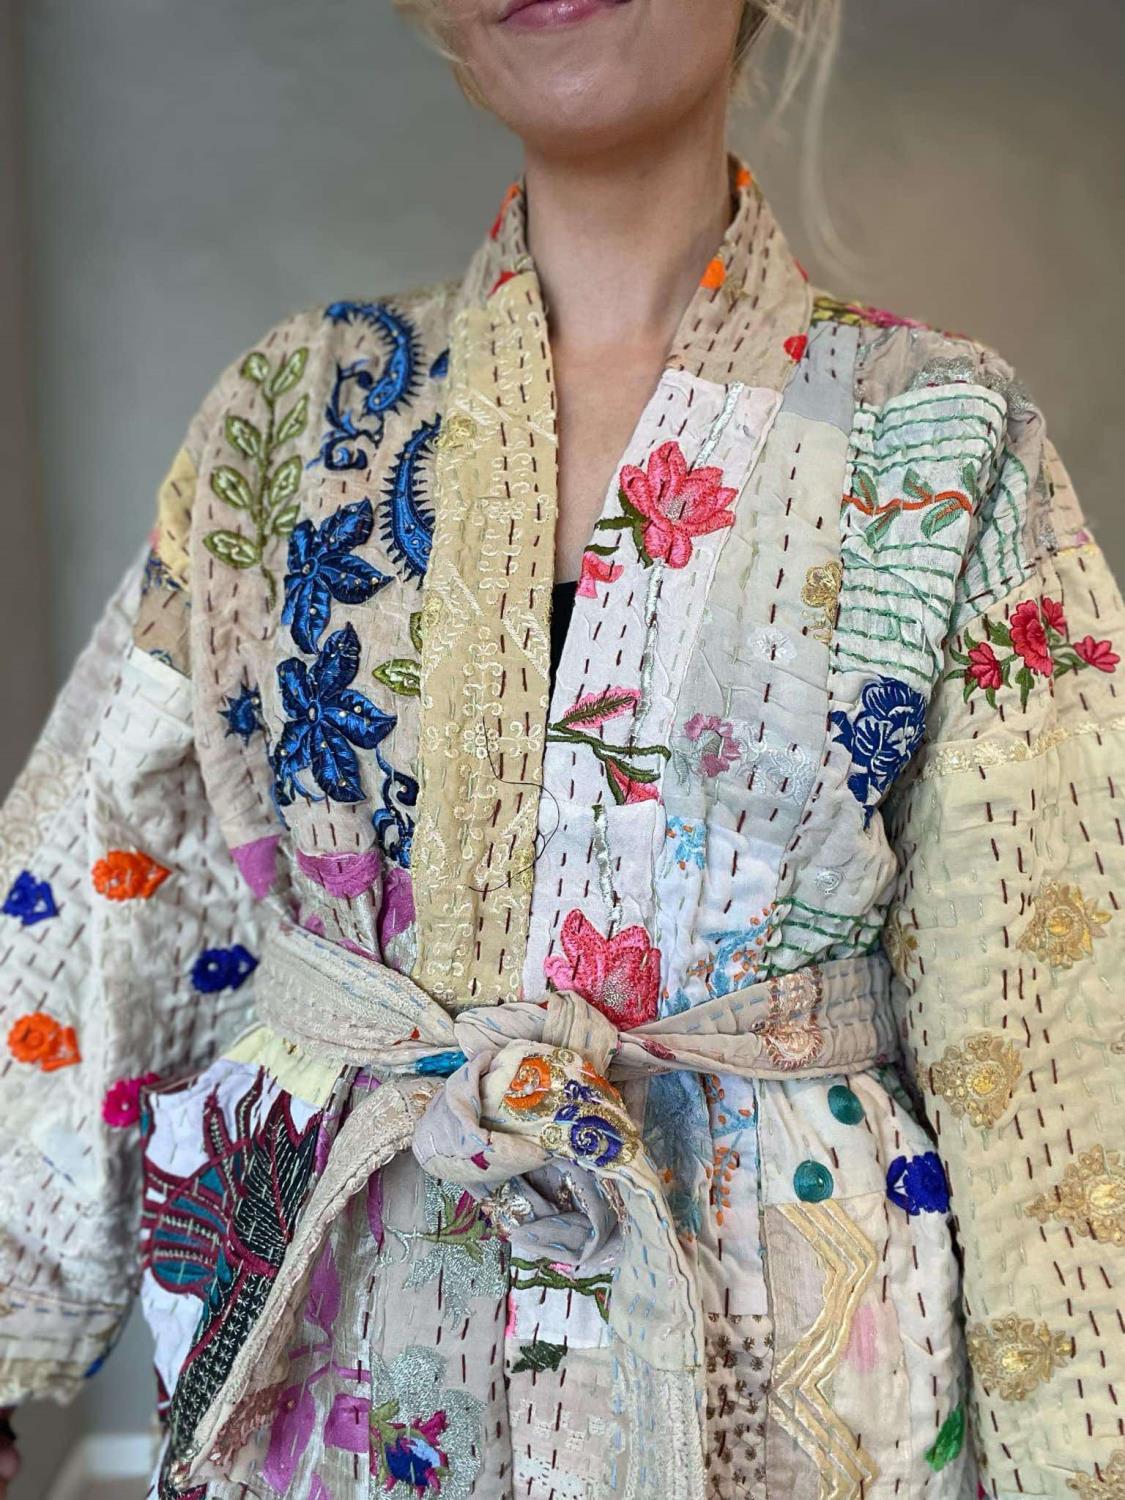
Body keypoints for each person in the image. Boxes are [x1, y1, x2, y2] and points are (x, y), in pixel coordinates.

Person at [2, 0, 1122, 1495]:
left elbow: (1051, 1030)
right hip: (336, 1375)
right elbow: (109, 892)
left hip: (792, 1388)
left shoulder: (938, 435)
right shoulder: (291, 416)